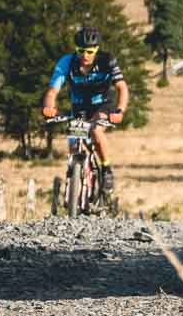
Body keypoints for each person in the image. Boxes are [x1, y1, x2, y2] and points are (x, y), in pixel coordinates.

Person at [40, 26, 129, 193]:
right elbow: (52, 91)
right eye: (81, 51)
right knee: (74, 145)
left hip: (102, 105)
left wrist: (120, 111)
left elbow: (122, 87)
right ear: (76, 49)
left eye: (90, 51)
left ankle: (106, 169)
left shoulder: (107, 60)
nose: (85, 55)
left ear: (96, 49)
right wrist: (49, 107)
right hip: (79, 107)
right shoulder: (67, 62)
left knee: (95, 131)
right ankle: (75, 183)